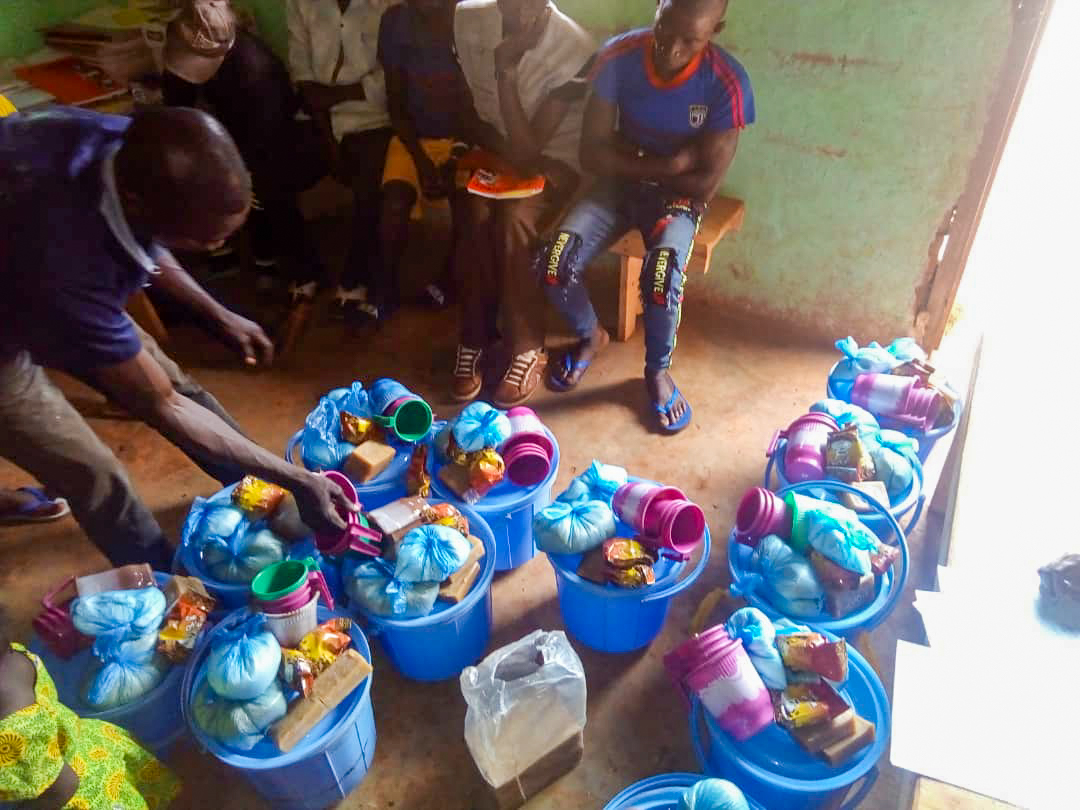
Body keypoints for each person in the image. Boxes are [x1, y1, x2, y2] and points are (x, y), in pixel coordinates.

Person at [0, 105, 354, 569]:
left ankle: (261, 492)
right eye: (202, 241)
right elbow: (164, 406)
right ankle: (171, 584)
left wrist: (215, 311)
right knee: (92, 471)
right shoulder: (64, 265)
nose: (216, 247)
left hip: (42, 277)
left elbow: (142, 239)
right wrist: (299, 477)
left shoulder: (126, 145)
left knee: (181, 387)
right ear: (139, 204)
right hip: (17, 315)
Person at [538, 0, 754, 433]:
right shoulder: (618, 56)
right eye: (665, 29)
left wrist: (633, 159)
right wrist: (671, 164)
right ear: (657, 7)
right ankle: (590, 335)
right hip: (618, 187)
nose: (671, 49)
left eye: (690, 39)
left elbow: (703, 185)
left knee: (661, 276)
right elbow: (591, 155)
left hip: (675, 198)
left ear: (715, 31)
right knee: (554, 264)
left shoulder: (727, 82)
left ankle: (657, 370)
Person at [451, 0, 596, 406]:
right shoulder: (467, 18)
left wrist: (506, 68)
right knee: (474, 208)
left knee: (515, 216)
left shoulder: (575, 47)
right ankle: (475, 336)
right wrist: (485, 146)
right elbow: (464, 103)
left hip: (554, 161)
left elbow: (529, 153)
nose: (521, 9)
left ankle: (527, 345)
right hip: (495, 148)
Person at [162, 0, 327, 309]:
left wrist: (227, 164)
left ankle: (301, 267)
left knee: (266, 184)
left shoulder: (255, 72)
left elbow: (264, 140)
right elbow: (176, 102)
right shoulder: (186, 38)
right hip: (230, 137)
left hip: (276, 142)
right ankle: (237, 254)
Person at [0, 609, 181, 808]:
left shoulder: (11, 728)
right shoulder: (11, 656)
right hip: (87, 747)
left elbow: (63, 788)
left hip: (84, 795)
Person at [286, 0, 397, 322]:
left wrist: (336, 95)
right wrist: (329, 143)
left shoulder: (389, 5)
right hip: (318, 118)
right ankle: (306, 265)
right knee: (274, 171)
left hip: (372, 117)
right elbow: (302, 73)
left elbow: (391, 76)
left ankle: (355, 274)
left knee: (369, 184)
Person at [377, 0, 470, 312]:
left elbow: (477, 107)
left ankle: (446, 283)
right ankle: (385, 287)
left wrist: (455, 158)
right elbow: (395, 101)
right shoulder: (396, 22)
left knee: (469, 209)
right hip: (412, 138)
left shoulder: (471, 20)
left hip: (466, 138)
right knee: (394, 203)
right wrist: (420, 160)